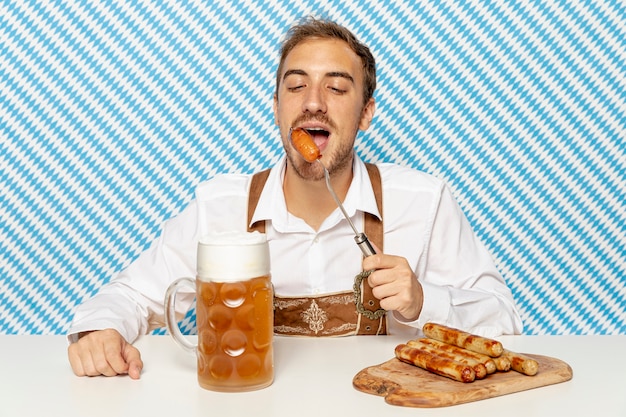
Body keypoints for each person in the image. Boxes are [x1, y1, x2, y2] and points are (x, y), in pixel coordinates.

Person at [67, 17, 523, 379]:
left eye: (338, 88)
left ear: (366, 113)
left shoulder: (423, 201)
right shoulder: (220, 205)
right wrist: (101, 331)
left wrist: (424, 300)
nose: (313, 102)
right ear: (277, 106)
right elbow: (130, 295)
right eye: (296, 85)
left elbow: (504, 318)